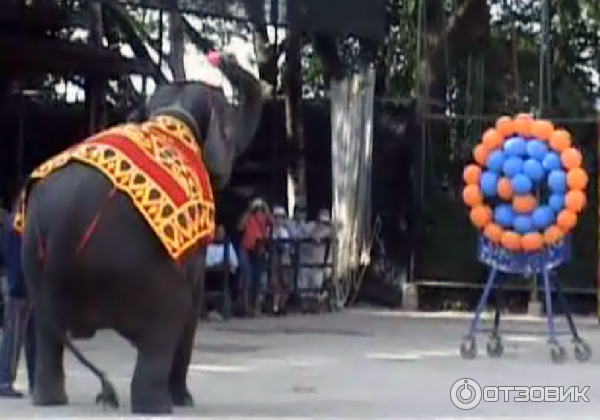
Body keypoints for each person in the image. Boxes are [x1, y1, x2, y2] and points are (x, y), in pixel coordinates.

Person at [0, 210, 36, 398]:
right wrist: (18, 288)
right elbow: (14, 257)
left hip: (26, 285)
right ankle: (4, 380)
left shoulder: (18, 220)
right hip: (18, 286)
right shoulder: (17, 223)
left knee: (33, 335)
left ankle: (36, 380)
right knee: (14, 335)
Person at [238, 198, 272, 316]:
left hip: (258, 250)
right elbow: (240, 226)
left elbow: (272, 221)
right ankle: (246, 308)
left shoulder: (263, 216)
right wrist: (250, 210)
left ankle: (255, 307)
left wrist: (264, 206)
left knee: (257, 280)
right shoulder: (248, 217)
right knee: (247, 279)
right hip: (246, 250)